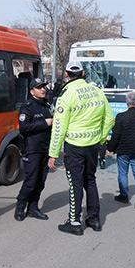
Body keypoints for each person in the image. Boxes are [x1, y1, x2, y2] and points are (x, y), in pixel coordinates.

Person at [48, 61, 114, 236]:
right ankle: (94, 219)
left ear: (67, 75)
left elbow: (59, 127)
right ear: (83, 74)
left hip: (75, 146)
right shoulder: (97, 91)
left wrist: (53, 153)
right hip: (93, 145)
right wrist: (100, 138)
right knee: (90, 180)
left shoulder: (66, 95)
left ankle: (74, 221)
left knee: (75, 184)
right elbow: (109, 119)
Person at [14, 77, 53, 221]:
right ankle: (20, 206)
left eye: (44, 86)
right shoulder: (27, 107)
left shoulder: (47, 105)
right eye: (39, 87)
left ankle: (33, 208)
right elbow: (24, 128)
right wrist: (45, 123)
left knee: (41, 181)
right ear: (32, 91)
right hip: (32, 149)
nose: (43, 89)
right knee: (31, 181)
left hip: (46, 149)